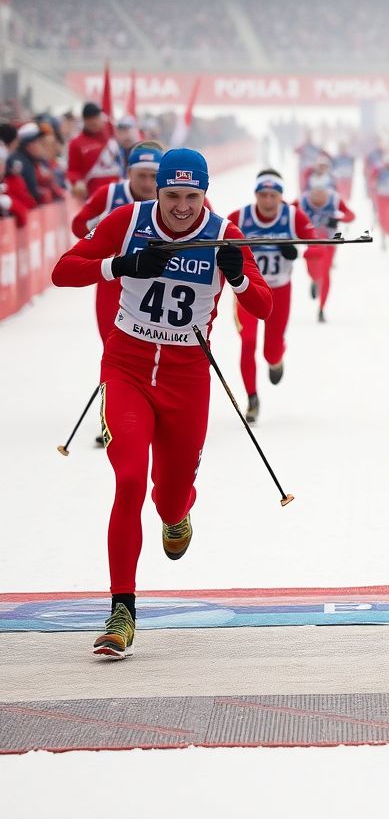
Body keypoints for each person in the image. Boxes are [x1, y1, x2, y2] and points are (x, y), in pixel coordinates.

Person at [51, 148, 271, 659]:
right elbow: (64, 271)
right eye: (172, 195)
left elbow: (263, 305)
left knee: (169, 495)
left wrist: (237, 275)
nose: (181, 207)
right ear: (157, 190)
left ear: (204, 194)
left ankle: (177, 513)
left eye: (192, 197)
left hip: (186, 378)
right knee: (128, 477)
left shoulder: (223, 234)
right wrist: (120, 264)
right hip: (125, 369)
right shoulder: (127, 221)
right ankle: (122, 611)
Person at [228, 169, 318, 422]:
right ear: (256, 195)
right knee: (248, 342)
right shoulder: (241, 217)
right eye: (263, 195)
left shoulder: (292, 216)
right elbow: (214, 242)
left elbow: (316, 246)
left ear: (281, 197)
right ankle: (252, 399)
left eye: (273, 195)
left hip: (279, 290)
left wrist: (298, 249)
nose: (268, 201)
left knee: (271, 350)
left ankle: (276, 360)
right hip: (247, 289)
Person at [72, 141, 164, 345]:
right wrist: (99, 223)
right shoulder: (110, 194)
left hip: (160, 283)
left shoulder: (174, 197)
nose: (148, 183)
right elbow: (78, 226)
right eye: (142, 175)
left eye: (154, 176)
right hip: (113, 280)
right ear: (129, 172)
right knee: (112, 345)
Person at [298, 173, 356, 322]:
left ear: (326, 191)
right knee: (313, 271)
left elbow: (351, 215)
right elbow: (284, 209)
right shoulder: (303, 200)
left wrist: (338, 218)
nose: (318, 196)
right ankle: (314, 280)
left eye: (321, 192)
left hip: (329, 243)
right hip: (312, 243)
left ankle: (322, 308)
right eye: (315, 192)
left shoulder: (334, 199)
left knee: (325, 274)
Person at [66, 102, 122, 198]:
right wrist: (76, 182)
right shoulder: (76, 143)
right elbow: (73, 170)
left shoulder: (112, 137)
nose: (94, 121)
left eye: (96, 117)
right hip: (93, 196)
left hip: (117, 194)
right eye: (90, 118)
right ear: (84, 120)